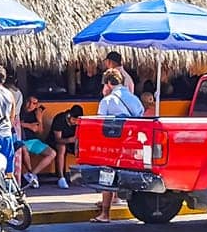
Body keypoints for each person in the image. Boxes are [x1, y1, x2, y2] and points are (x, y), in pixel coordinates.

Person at [92, 68, 144, 223]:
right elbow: (140, 117)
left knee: (107, 176)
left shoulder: (107, 101)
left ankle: (105, 214)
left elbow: (100, 124)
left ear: (108, 83)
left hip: (112, 145)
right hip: (132, 144)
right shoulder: (134, 99)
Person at [47, 104, 81, 188]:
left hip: (72, 143)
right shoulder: (60, 119)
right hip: (54, 142)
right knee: (62, 147)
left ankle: (81, 176)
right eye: (74, 120)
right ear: (69, 116)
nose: (75, 122)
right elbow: (58, 139)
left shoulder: (79, 122)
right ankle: (61, 177)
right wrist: (70, 140)